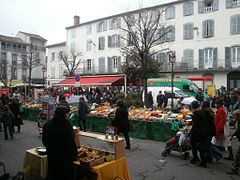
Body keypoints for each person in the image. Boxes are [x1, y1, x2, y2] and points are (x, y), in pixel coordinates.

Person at [42, 106, 78, 180]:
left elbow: (44, 140)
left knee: (53, 173)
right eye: (67, 114)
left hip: (51, 154)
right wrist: (75, 156)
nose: (68, 115)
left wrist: (50, 147)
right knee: (64, 175)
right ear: (64, 114)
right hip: (64, 158)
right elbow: (70, 143)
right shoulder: (66, 125)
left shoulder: (48, 123)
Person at [189, 101, 208, 167]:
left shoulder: (196, 113)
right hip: (202, 132)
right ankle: (198, 159)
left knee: (197, 146)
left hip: (198, 133)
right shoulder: (201, 112)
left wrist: (191, 133)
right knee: (200, 146)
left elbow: (195, 125)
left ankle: (200, 161)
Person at [226, 109, 240, 175]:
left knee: (238, 156)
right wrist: (233, 135)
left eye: (235, 116)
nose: (234, 118)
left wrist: (234, 136)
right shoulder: (238, 122)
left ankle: (235, 169)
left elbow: (239, 131)